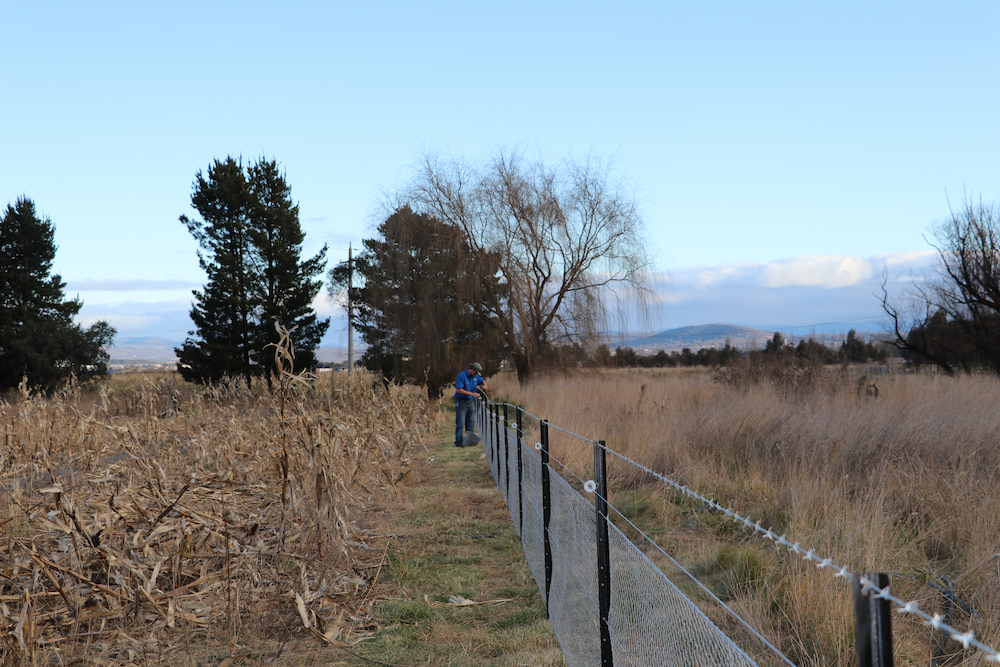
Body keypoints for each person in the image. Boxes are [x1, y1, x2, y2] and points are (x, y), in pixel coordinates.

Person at [454, 362, 487, 447]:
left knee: (471, 421)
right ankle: (459, 443)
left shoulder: (475, 377)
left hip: (470, 402)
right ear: (472, 369)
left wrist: (484, 384)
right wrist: (472, 394)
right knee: (460, 422)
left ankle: (469, 441)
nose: (476, 374)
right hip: (461, 402)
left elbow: (482, 380)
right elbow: (459, 390)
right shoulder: (462, 376)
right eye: (476, 372)